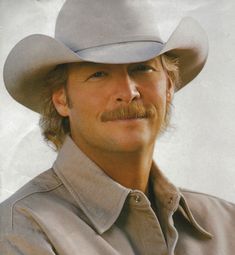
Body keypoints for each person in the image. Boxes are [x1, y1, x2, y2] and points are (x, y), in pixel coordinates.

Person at [1, 0, 235, 254]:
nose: (128, 92)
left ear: (168, 86)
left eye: (142, 68)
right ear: (61, 99)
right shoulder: (22, 229)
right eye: (99, 74)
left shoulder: (226, 225)